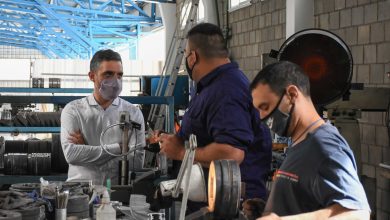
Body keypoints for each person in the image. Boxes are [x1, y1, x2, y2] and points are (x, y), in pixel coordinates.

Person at [158, 23, 272, 205]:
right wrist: (176, 140)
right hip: (212, 199)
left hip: (231, 205)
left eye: (186, 54)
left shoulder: (226, 90)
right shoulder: (209, 86)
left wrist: (181, 152)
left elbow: (232, 154)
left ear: (192, 57)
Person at [250, 61, 370, 219]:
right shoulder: (300, 142)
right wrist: (268, 209)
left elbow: (357, 213)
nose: (261, 117)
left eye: (265, 107)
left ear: (292, 95)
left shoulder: (324, 146)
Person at [61, 49, 145, 185]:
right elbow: (71, 155)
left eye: (119, 75)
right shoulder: (73, 110)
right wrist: (120, 148)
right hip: (80, 191)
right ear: (92, 76)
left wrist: (87, 151)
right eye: (108, 74)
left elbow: (136, 162)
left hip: (119, 192)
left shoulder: (133, 112)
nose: (115, 81)